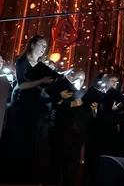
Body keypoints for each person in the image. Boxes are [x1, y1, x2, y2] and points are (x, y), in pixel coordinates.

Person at [0, 35, 71, 184]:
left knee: (33, 144)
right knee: (20, 141)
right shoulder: (22, 61)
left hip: (36, 106)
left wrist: (56, 84)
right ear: (32, 45)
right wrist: (42, 80)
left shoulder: (40, 65)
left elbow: (41, 88)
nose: (43, 49)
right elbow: (22, 85)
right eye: (41, 45)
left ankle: (28, 177)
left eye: (45, 47)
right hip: (22, 107)